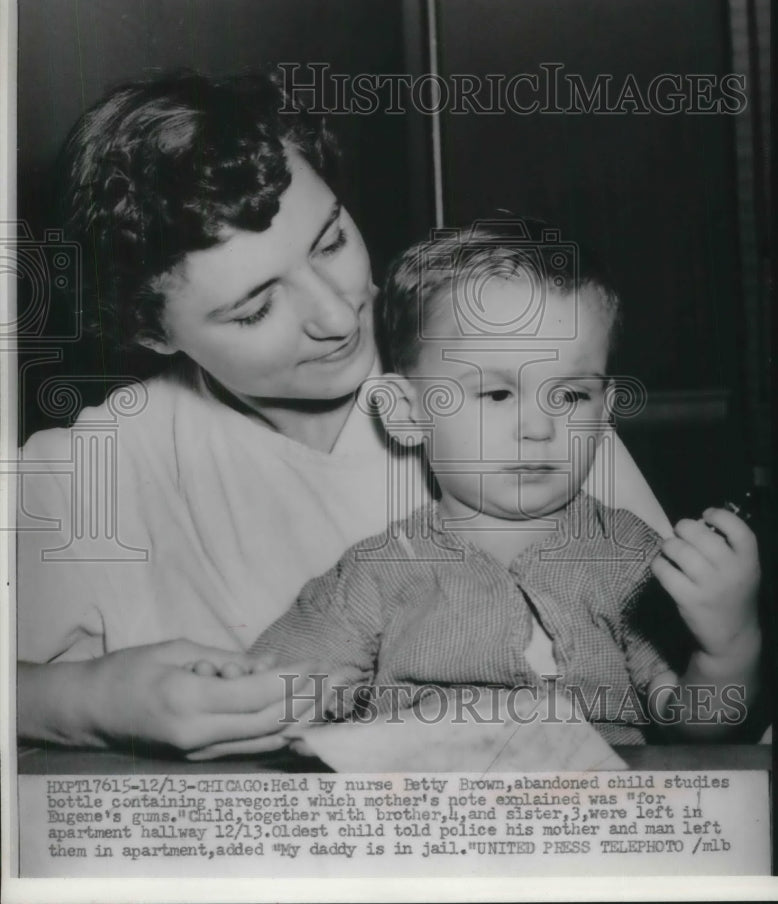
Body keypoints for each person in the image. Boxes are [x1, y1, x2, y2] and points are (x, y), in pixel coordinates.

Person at [17, 73, 672, 760]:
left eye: (330, 242)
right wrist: (89, 701)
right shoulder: (92, 470)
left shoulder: (496, 368)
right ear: (150, 333)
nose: (337, 315)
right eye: (254, 309)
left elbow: (686, 678)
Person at [239, 225, 761, 745]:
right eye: (494, 394)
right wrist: (276, 701)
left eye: (571, 397)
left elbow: (697, 732)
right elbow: (270, 701)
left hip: (596, 818)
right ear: (406, 412)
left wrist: (728, 645)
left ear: (604, 414)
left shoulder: (631, 560)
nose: (538, 427)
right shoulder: (374, 575)